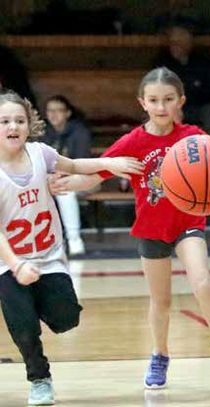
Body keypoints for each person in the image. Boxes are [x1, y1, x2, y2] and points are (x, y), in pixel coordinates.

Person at [52, 67, 210, 389]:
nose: (161, 107)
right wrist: (67, 184)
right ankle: (160, 355)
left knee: (202, 282)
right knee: (160, 302)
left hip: (188, 223)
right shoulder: (133, 141)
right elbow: (96, 174)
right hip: (151, 228)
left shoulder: (194, 137)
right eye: (154, 100)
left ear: (181, 101)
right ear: (142, 103)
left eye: (168, 99)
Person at [0, 90, 143, 405]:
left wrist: (111, 162)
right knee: (24, 328)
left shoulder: (40, 153)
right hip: (8, 263)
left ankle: (33, 303)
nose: (13, 126)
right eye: (5, 121)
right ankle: (39, 378)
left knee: (67, 319)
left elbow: (76, 164)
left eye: (19, 120)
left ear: (29, 124)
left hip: (49, 257)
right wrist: (17, 265)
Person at [154, 24, 210, 136]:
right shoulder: (163, 64)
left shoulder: (204, 63)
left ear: (188, 42)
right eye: (173, 42)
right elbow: (157, 91)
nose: (175, 46)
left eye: (179, 42)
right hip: (176, 108)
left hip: (200, 107)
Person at [43, 95, 92, 256]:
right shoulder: (43, 133)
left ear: (68, 113)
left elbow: (82, 163)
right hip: (50, 181)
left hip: (82, 179)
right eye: (50, 111)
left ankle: (74, 240)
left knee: (65, 192)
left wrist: (60, 175)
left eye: (58, 110)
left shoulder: (80, 132)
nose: (54, 114)